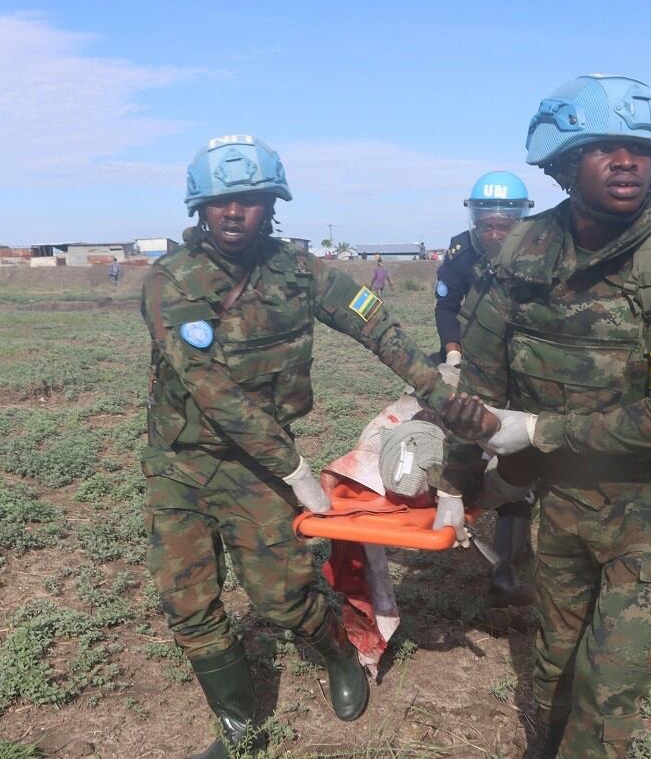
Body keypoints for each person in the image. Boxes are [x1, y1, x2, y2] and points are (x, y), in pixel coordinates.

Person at [438, 75, 651, 759]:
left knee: (610, 682)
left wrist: (539, 431)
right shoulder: (524, 250)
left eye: (640, 149)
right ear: (565, 163)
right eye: (604, 148)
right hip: (565, 497)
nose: (627, 161)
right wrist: (458, 483)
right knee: (556, 655)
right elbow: (480, 384)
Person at [141, 135, 452, 759]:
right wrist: (294, 467)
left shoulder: (301, 272)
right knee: (186, 601)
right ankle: (238, 724)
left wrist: (437, 389)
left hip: (256, 468)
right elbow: (210, 387)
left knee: (282, 597)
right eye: (221, 201)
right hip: (180, 461)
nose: (235, 212)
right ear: (200, 206)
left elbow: (373, 322)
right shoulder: (171, 281)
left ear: (273, 205)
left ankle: (337, 653)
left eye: (250, 199)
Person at [435, 171, 536, 606]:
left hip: (524, 361)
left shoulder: (540, 250)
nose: (494, 232)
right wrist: (452, 351)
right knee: (466, 436)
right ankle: (456, 498)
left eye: (503, 225)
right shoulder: (461, 252)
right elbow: (445, 306)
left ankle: (509, 567)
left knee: (519, 454)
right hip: (473, 359)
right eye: (486, 224)